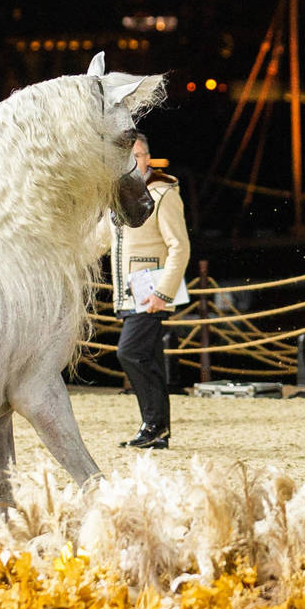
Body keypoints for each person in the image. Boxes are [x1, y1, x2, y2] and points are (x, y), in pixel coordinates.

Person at [102, 131, 190, 449]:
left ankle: (153, 426)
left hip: (151, 292)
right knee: (147, 358)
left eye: (136, 156)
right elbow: (103, 239)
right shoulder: (119, 195)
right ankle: (155, 429)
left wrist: (163, 293)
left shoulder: (163, 194)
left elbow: (180, 246)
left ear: (147, 158)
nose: (130, 162)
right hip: (129, 293)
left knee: (130, 353)